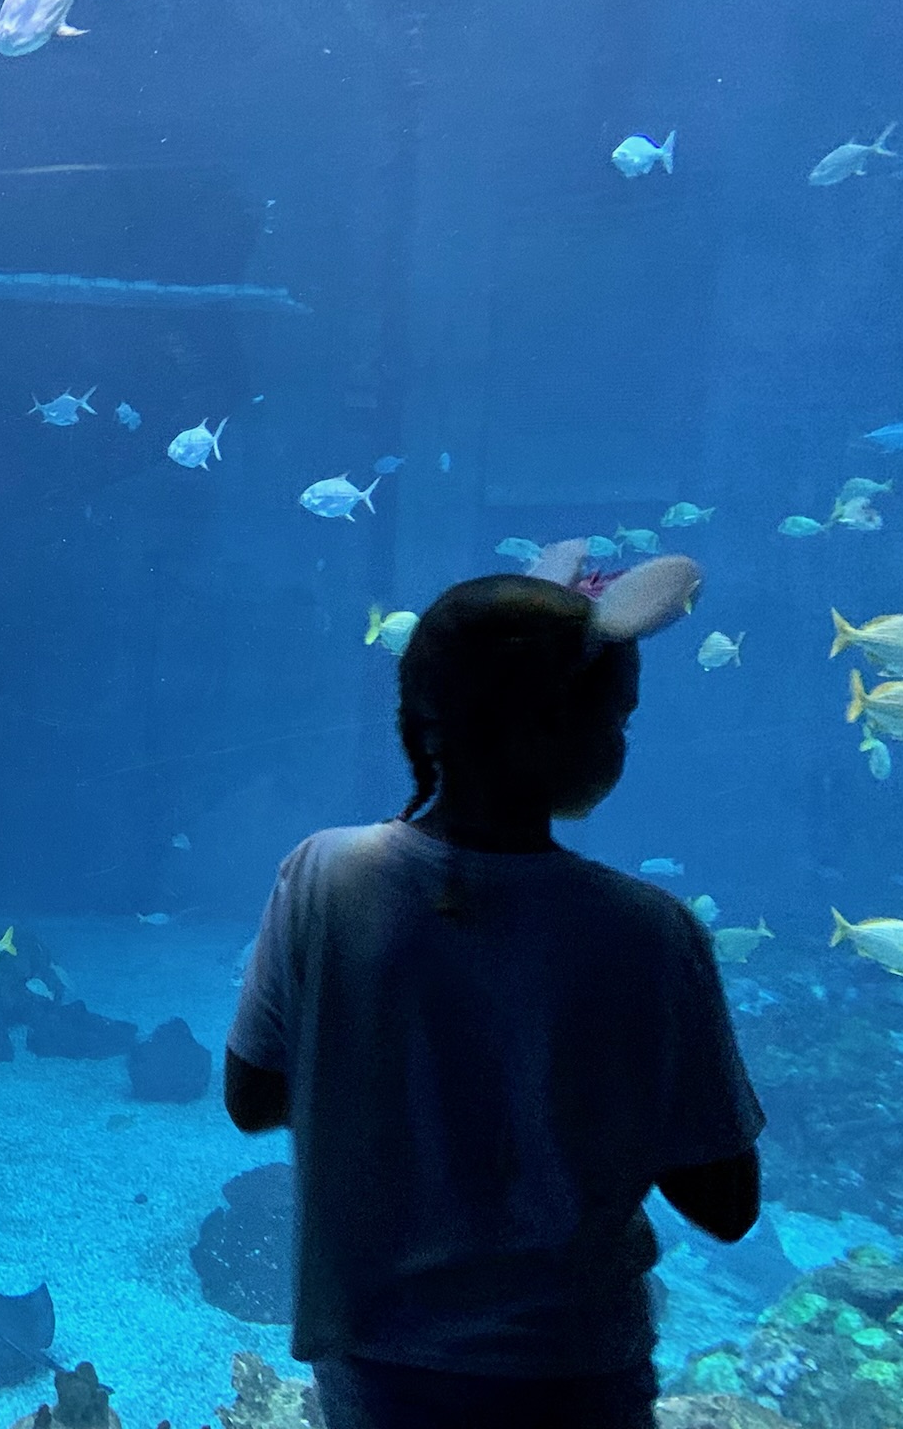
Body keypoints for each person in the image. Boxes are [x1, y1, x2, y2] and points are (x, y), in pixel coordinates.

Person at [223, 552, 764, 1429]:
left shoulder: (322, 877)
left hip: (374, 1367)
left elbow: (253, 1098)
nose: (623, 741)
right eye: (618, 718)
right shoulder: (647, 931)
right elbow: (726, 1203)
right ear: (564, 732)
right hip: (571, 1373)